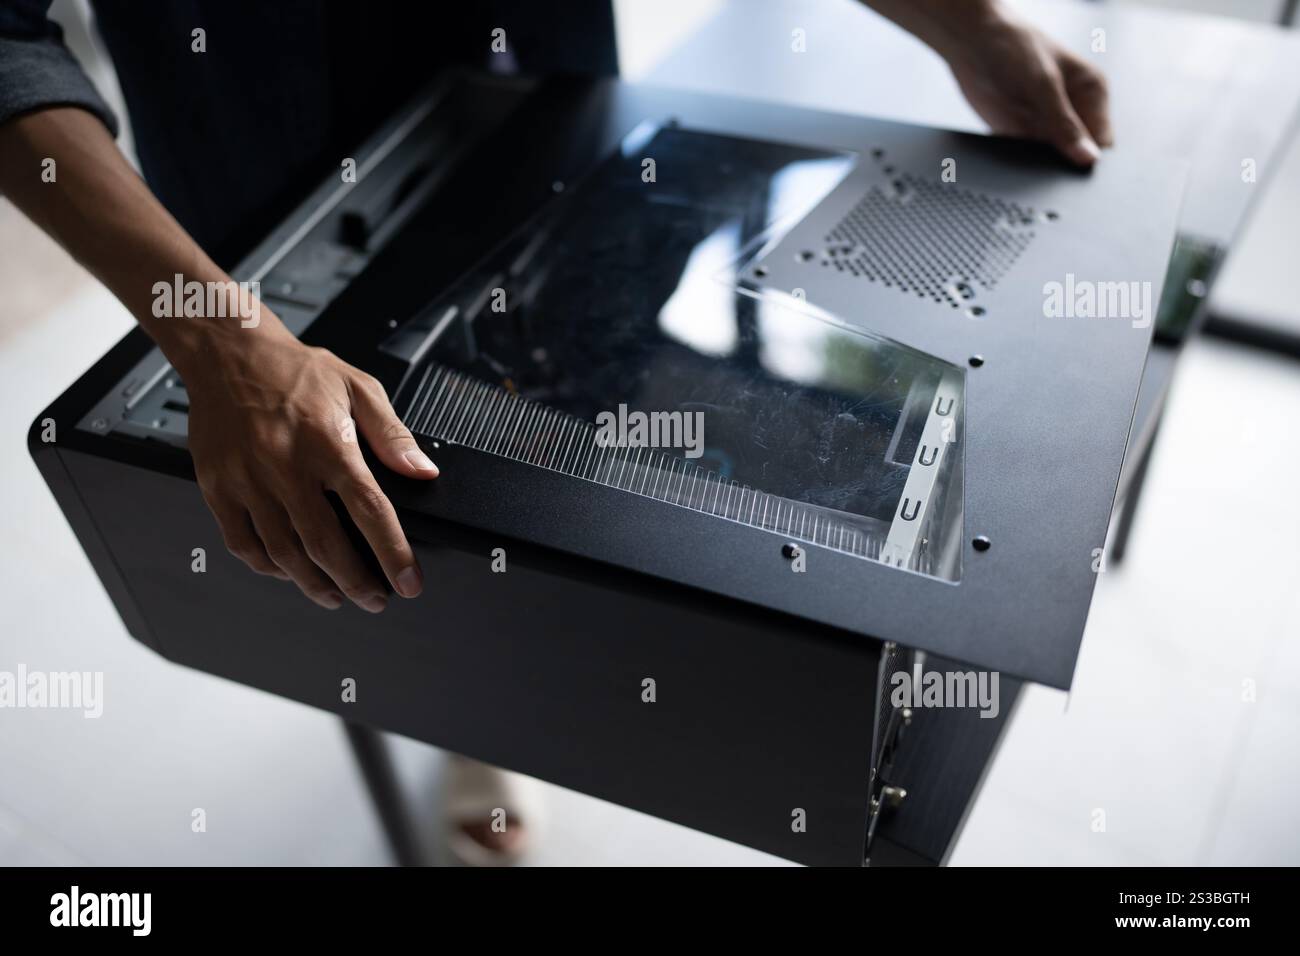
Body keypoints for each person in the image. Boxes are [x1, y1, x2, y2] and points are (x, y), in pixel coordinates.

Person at [0, 0, 1111, 864]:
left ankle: (503, 679)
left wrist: (971, 27)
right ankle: (461, 708)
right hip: (269, 175)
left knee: (571, 417)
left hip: (550, 119)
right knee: (366, 511)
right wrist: (220, 338)